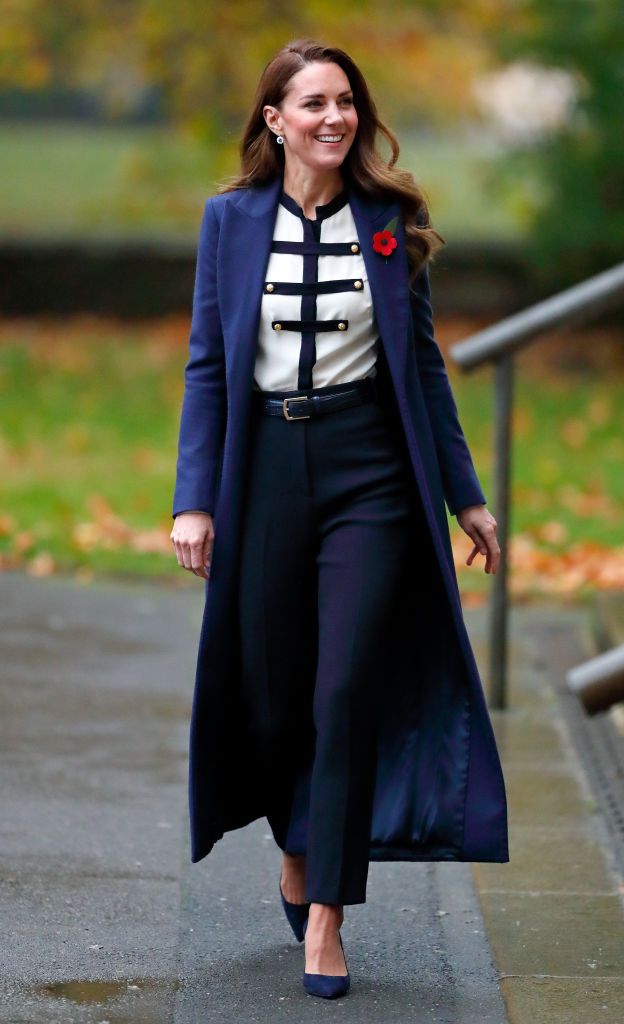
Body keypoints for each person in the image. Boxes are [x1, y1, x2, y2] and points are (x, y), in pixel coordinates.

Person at [170, 38, 508, 1001]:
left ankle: (327, 911)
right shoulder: (228, 222)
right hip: (265, 470)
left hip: (372, 478)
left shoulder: (392, 220)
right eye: (312, 102)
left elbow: (425, 370)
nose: (334, 117)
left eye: (346, 101)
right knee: (274, 691)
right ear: (274, 119)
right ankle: (298, 841)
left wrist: (465, 495)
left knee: (345, 687)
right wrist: (194, 498)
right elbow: (206, 364)